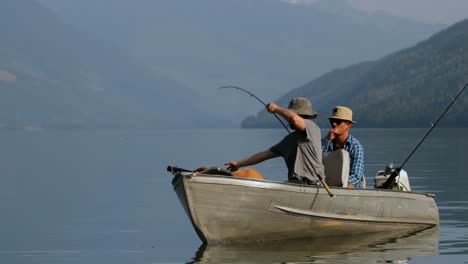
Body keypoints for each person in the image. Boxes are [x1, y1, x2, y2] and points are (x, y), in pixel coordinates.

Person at [225, 97, 325, 185]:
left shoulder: (312, 128)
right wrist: (238, 164)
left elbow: (295, 119)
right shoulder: (288, 140)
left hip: (313, 183)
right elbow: (263, 155)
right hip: (295, 183)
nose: (287, 119)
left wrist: (276, 109)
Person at [322, 106, 364, 188]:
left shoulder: (356, 146)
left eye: (338, 121)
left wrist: (342, 187)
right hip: (326, 186)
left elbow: (356, 176)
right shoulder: (324, 142)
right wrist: (327, 140)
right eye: (332, 121)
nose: (334, 124)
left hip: (348, 190)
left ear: (348, 124)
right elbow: (315, 162)